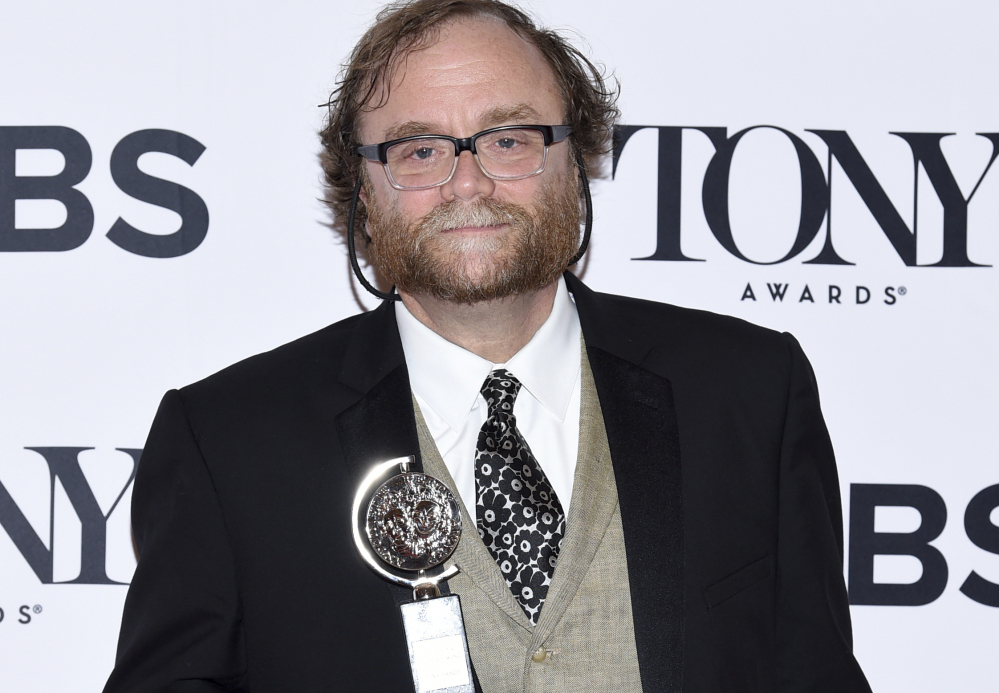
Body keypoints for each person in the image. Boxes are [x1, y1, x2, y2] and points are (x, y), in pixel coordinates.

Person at [104, 1, 872, 691]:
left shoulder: (746, 393)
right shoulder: (230, 439)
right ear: (361, 189)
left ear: (577, 158)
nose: (467, 183)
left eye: (509, 139)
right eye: (419, 151)